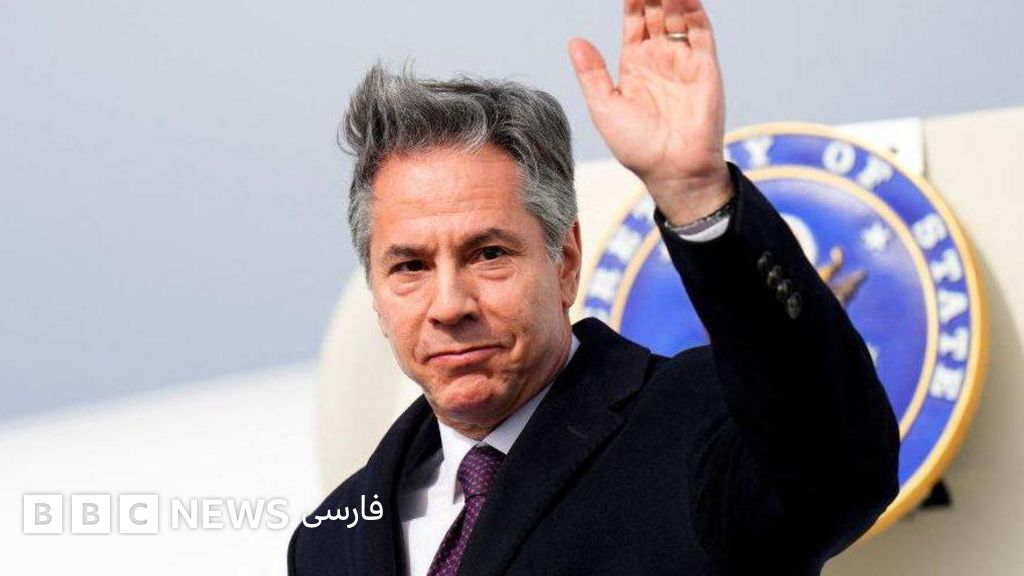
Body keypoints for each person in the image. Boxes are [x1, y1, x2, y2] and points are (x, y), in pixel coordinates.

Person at [288, 0, 900, 574]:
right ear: (376, 293)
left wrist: (696, 194)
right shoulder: (328, 541)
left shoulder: (698, 428)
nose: (449, 305)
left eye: (489, 255)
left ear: (565, 261)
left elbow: (835, 472)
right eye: (410, 267)